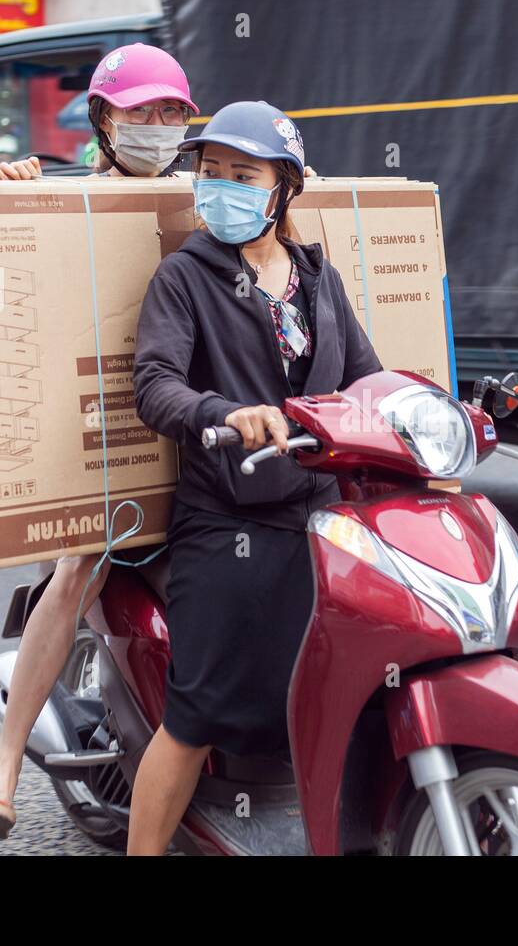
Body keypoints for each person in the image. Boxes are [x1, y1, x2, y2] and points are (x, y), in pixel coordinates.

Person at [125, 100, 383, 855]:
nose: (221, 189)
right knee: (197, 713)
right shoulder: (185, 277)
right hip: (227, 519)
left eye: (243, 175)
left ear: (283, 190)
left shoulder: (316, 276)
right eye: (210, 174)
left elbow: (367, 378)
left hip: (322, 517)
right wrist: (226, 412)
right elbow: (154, 384)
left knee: (355, 690)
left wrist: (427, 419)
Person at [0, 43, 200, 840]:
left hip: (195, 423)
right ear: (103, 120)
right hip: (102, 439)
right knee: (74, 575)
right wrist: (1, 195)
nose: (161, 127)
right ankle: (1, 764)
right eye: (143, 113)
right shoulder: (62, 204)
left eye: (173, 113)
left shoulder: (207, 197)